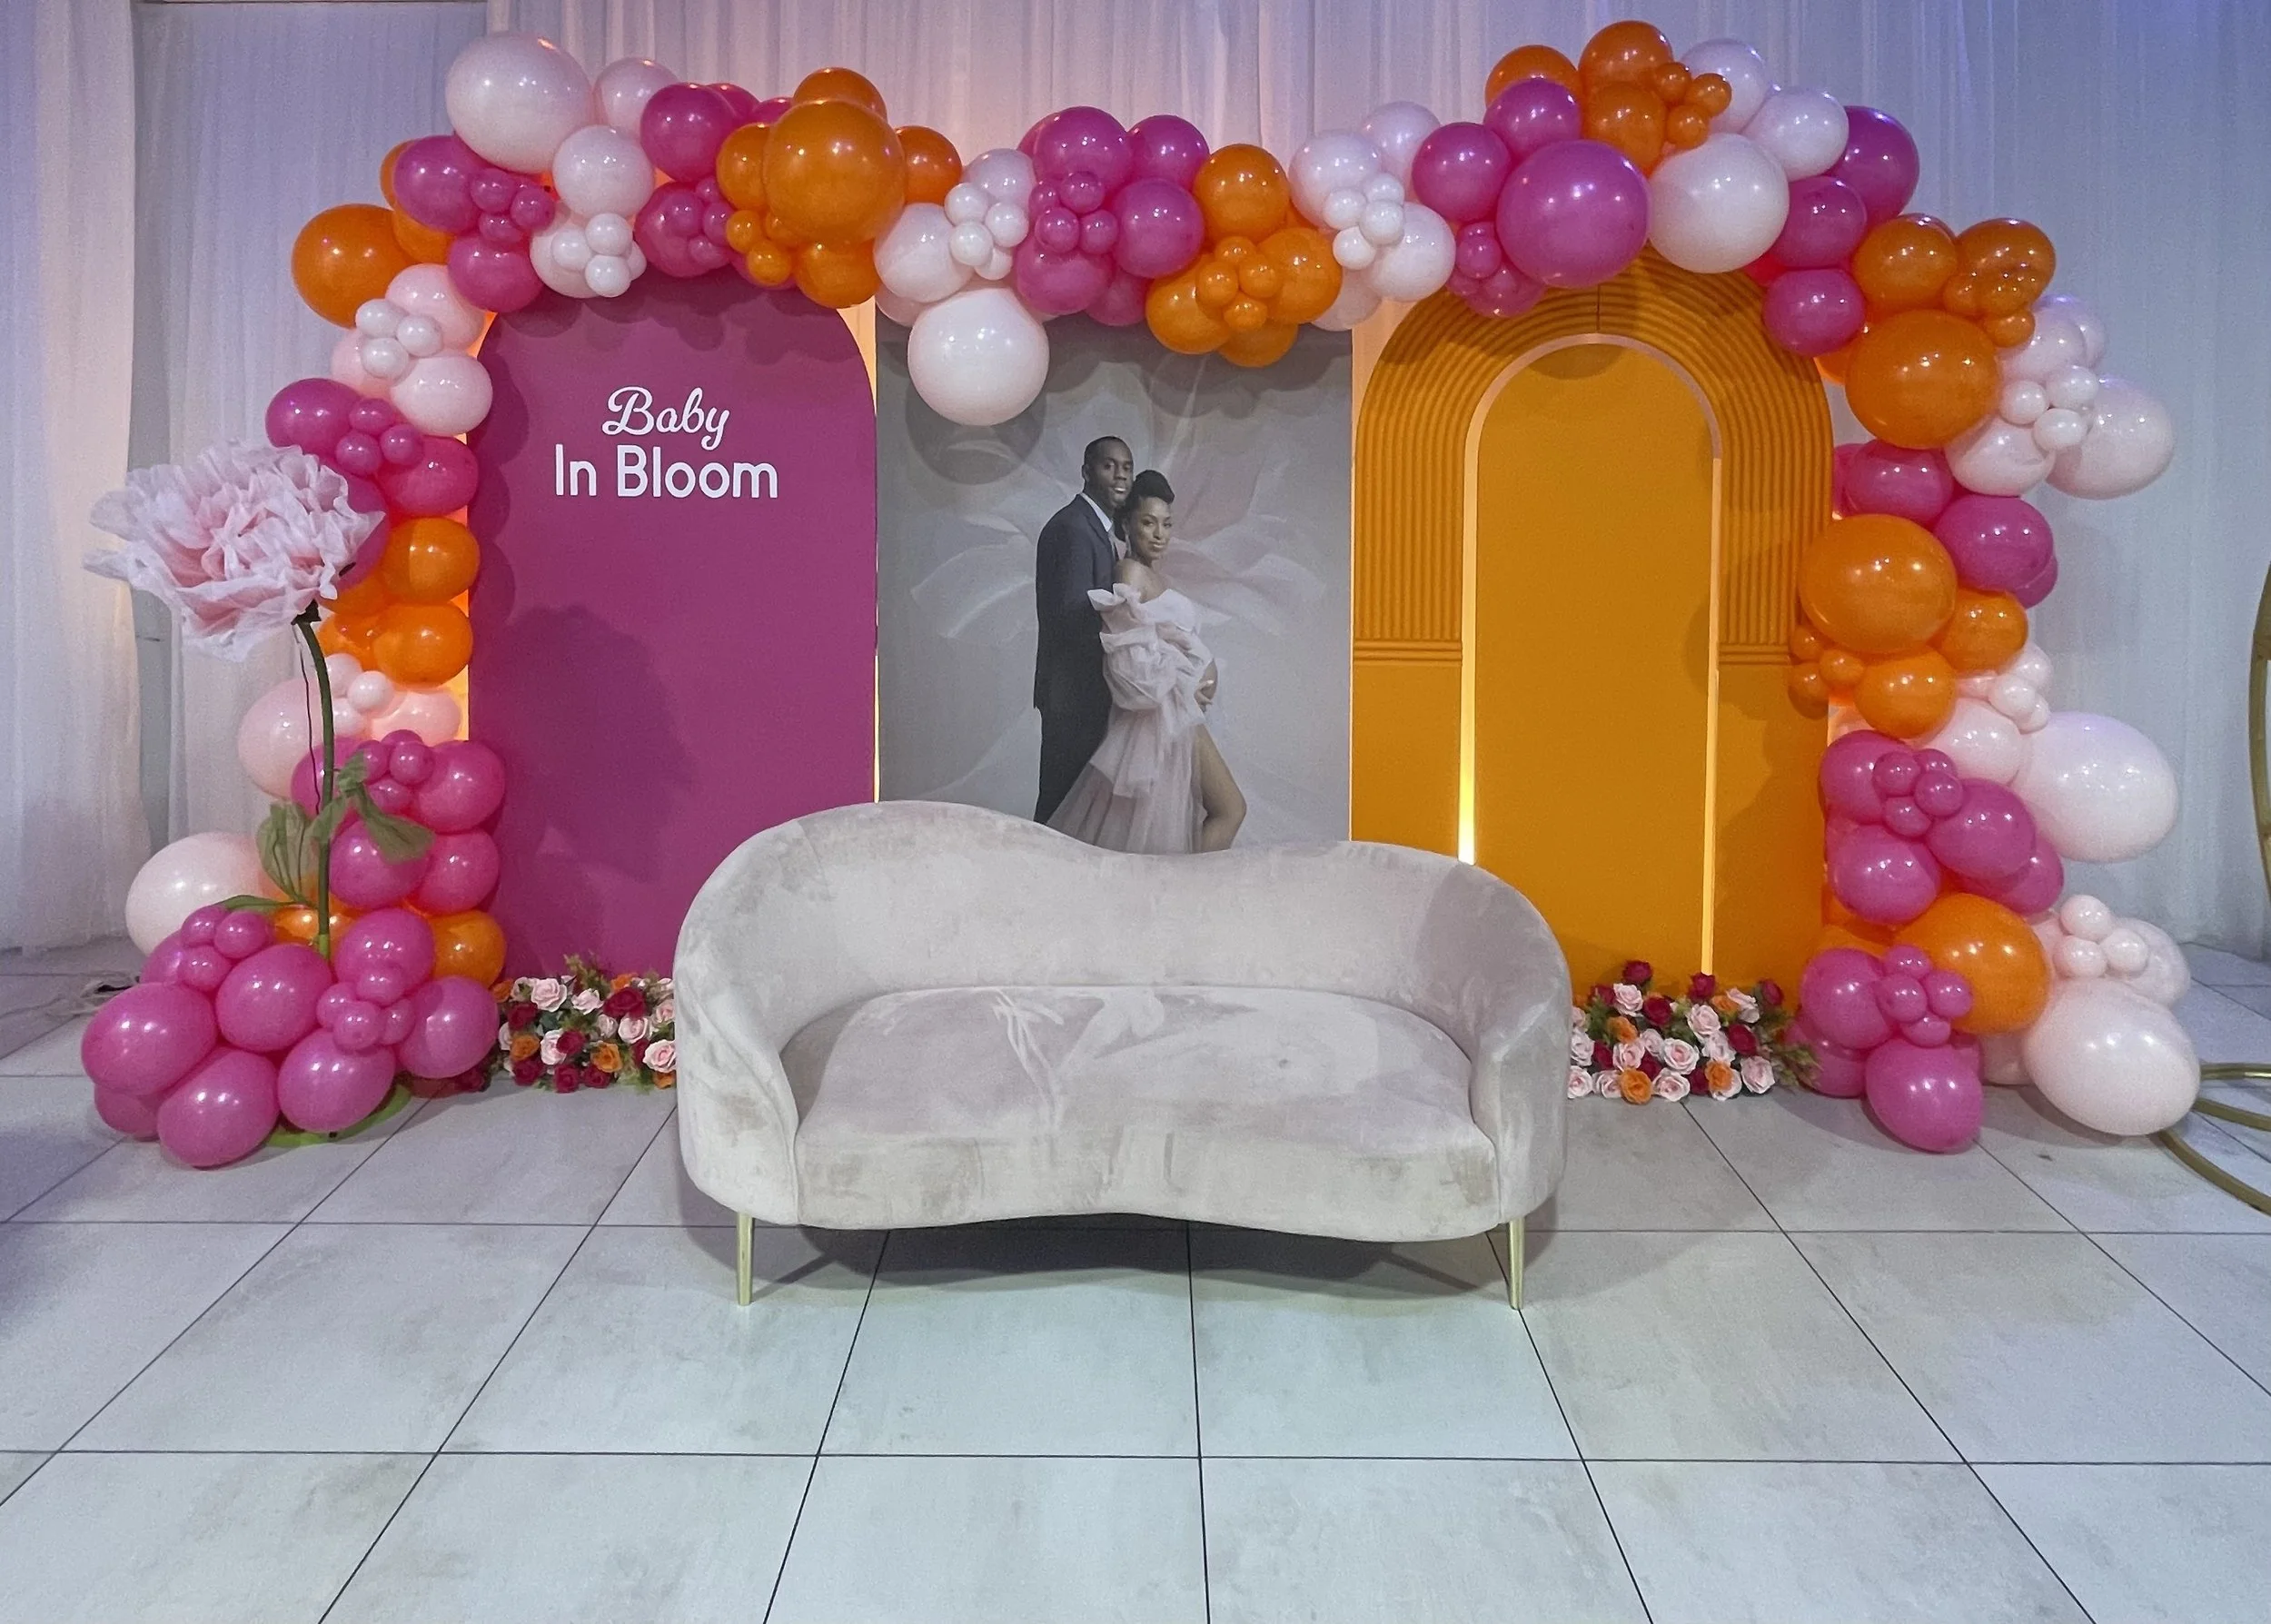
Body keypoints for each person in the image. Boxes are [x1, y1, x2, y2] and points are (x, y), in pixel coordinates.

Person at [1047, 469, 1246, 853]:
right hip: (1163, 719)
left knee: (1174, 829)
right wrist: (1182, 686)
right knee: (1229, 809)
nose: (1159, 534)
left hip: (1177, 717)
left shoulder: (1155, 578)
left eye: (1167, 524)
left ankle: (1175, 886)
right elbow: (1127, 661)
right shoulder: (1130, 572)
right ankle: (1183, 887)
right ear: (1126, 524)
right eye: (1148, 523)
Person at [1032, 436, 1133, 823]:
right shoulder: (1074, 528)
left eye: (1127, 467)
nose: (1120, 476)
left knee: (1075, 812)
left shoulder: (1095, 529)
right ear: (1087, 471)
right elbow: (1072, 616)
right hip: (1073, 695)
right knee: (1060, 809)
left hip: (1083, 694)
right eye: (1109, 466)